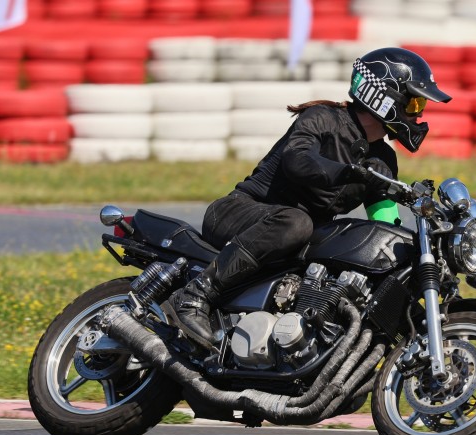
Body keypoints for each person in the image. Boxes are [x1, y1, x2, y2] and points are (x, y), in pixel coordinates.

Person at [168, 47, 452, 352]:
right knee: (298, 222)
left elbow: (384, 220)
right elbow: (297, 161)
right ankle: (195, 296)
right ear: (383, 96)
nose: (419, 112)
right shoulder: (323, 118)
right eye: (414, 101)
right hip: (239, 213)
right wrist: (350, 172)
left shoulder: (382, 158)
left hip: (294, 241)